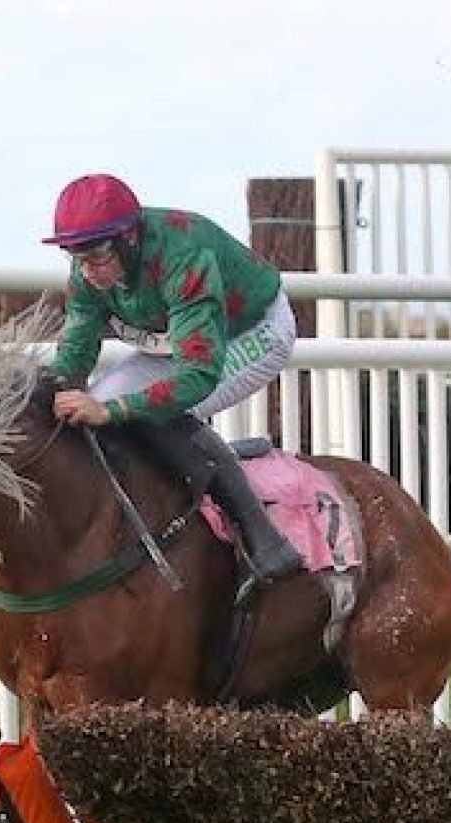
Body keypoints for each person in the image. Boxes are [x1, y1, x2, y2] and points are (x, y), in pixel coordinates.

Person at [41, 173, 303, 592]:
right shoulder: (88, 268)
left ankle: (265, 542)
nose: (87, 270)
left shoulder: (184, 256)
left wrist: (111, 410)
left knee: (147, 416)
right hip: (174, 342)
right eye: (76, 256)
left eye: (96, 256)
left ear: (128, 237)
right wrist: (55, 393)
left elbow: (196, 376)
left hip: (251, 332)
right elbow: (75, 351)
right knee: (97, 415)